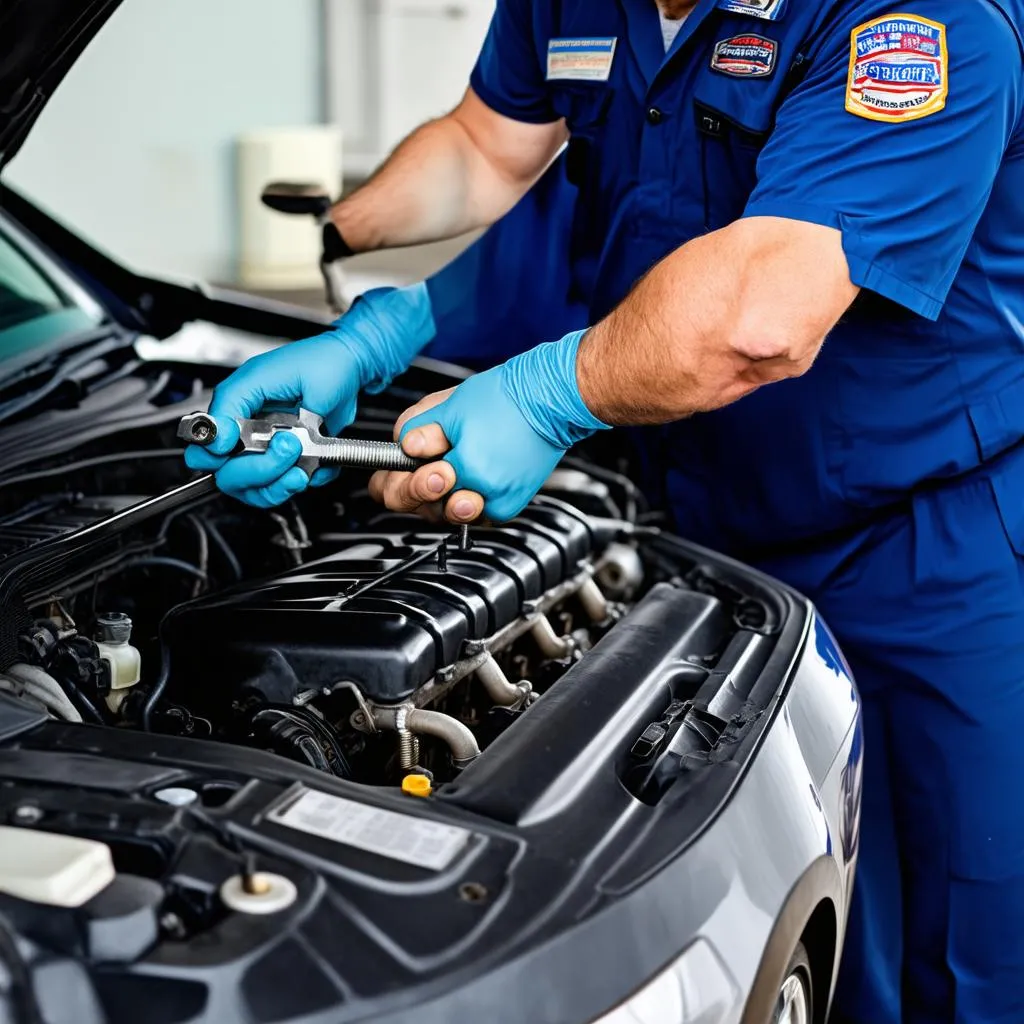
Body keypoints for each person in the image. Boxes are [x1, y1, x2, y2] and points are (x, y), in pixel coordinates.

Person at [186, 1, 1024, 1019]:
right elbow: (494, 155)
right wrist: (375, 313)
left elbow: (761, 312)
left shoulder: (920, 21)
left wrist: (545, 394)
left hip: (930, 548)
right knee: (772, 892)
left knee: (957, 929)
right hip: (709, 521)